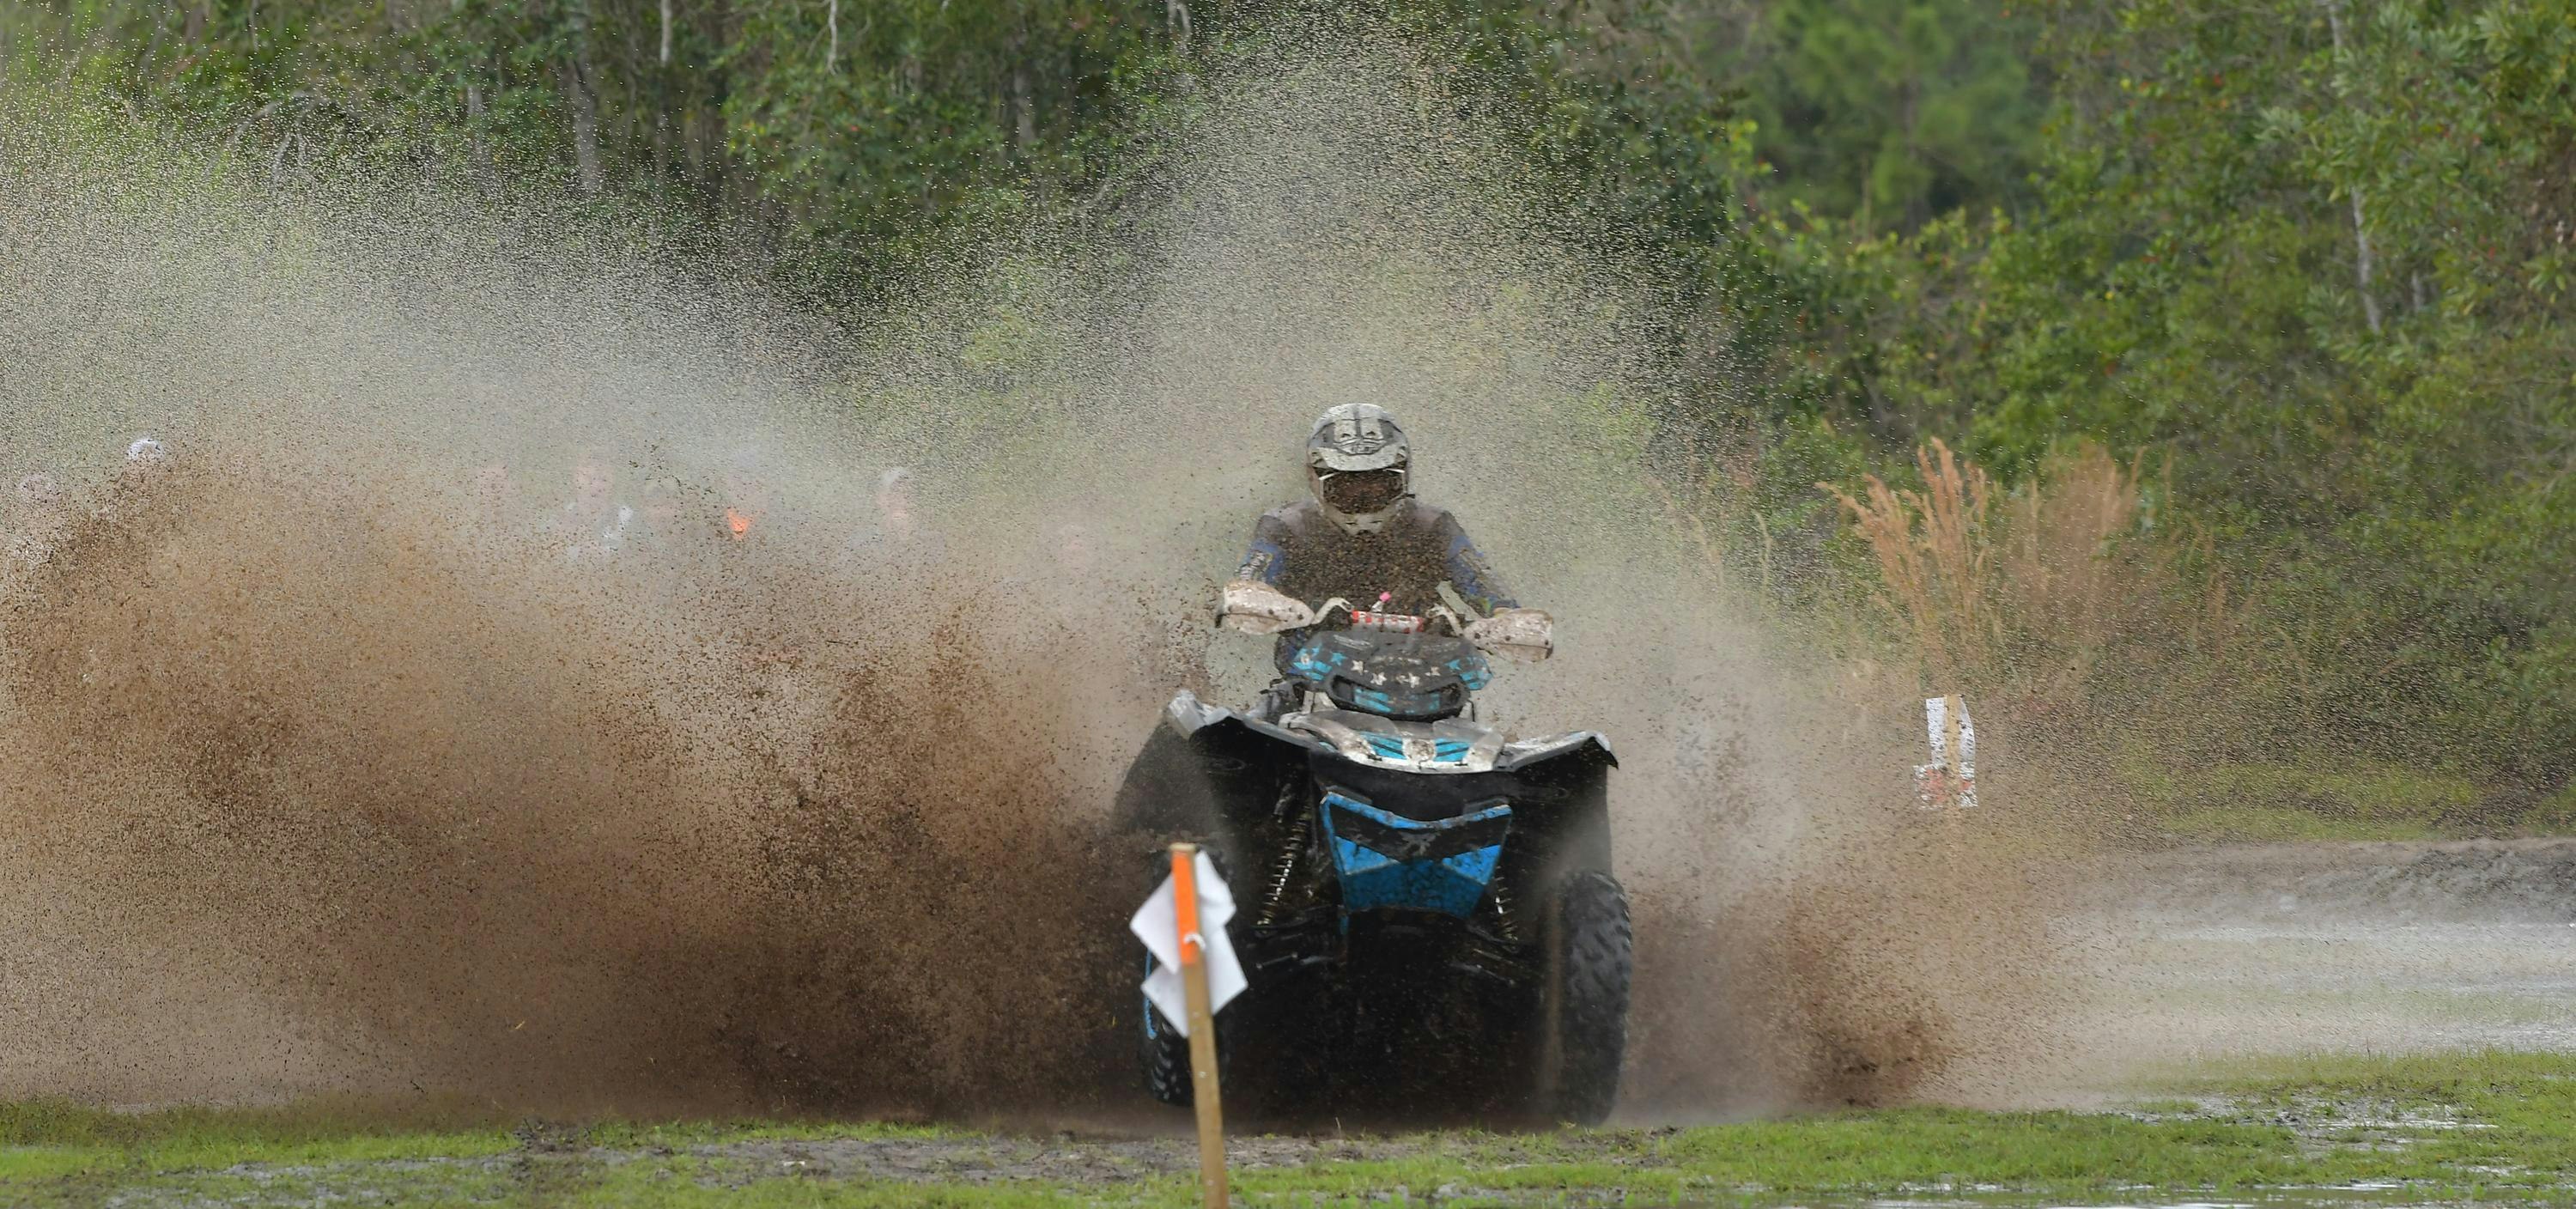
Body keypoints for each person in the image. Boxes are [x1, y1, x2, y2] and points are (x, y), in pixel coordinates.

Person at [1216, 404, 1553, 717]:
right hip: (1311, 686)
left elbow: (1486, 587)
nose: (1364, 502)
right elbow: (1251, 579)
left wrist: (1506, 621)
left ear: (1403, 479)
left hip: (1430, 686)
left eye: (1378, 486)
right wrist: (1259, 599)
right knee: (1238, 734)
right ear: (1315, 481)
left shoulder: (1431, 526)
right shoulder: (1287, 526)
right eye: (1347, 489)